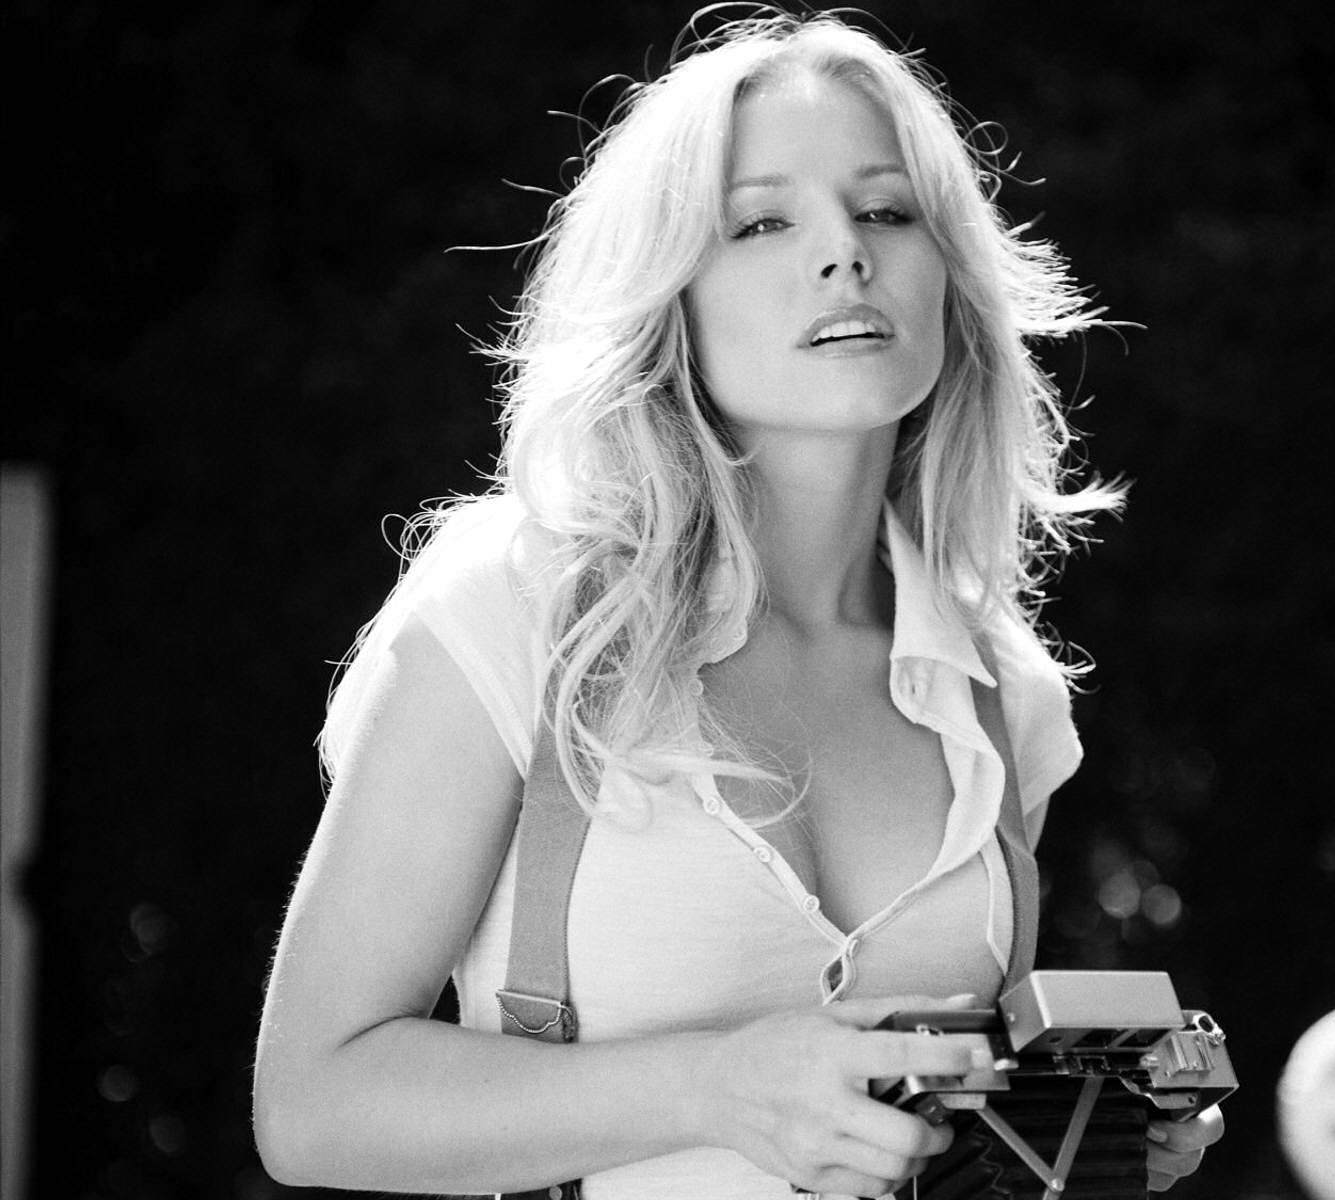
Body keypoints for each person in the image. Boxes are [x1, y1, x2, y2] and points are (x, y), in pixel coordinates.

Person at [252, 10, 1224, 1198]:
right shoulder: (517, 609)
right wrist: (715, 1088)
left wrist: (1078, 1138)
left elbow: (924, 1144)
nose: (844, 254)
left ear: (951, 273)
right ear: (670, 295)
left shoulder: (1000, 695)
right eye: (762, 222)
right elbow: (312, 1106)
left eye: (886, 210)